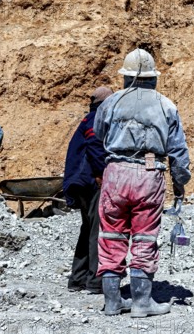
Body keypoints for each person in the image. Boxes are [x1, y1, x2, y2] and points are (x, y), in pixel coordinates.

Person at [94, 48, 191, 317]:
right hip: (149, 174)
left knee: (111, 236)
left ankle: (112, 302)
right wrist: (180, 187)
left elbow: (99, 132)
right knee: (144, 239)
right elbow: (178, 154)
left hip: (115, 172)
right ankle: (141, 303)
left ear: (125, 76)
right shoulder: (166, 105)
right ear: (153, 78)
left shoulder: (110, 102)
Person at [63, 86, 113, 294]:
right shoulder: (97, 118)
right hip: (90, 180)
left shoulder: (88, 117)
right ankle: (95, 279)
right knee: (97, 229)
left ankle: (78, 278)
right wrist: (101, 172)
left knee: (87, 228)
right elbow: (94, 144)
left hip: (80, 180)